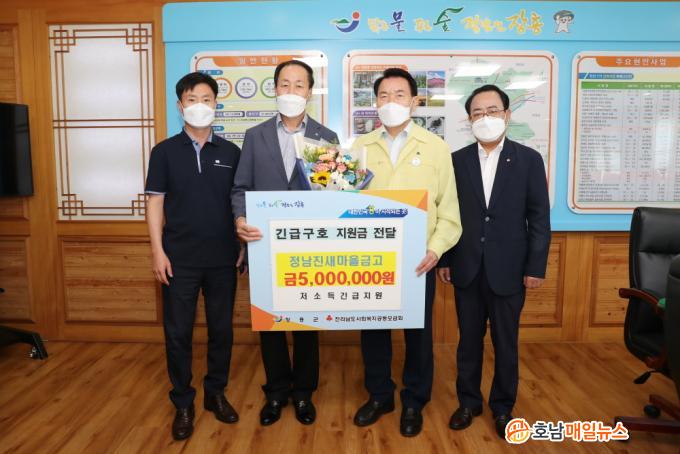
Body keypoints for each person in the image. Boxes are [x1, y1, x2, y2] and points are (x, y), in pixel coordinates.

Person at [351, 68, 462, 437]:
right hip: (371, 259)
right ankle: (380, 395)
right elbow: (343, 202)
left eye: (399, 95)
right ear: (375, 102)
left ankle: (414, 399)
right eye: (384, 95)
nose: (391, 102)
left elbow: (449, 211)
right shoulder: (359, 147)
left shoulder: (435, 147)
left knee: (418, 333)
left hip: (418, 260)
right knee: (373, 330)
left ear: (414, 101)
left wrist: (435, 249)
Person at [437, 84, 551, 438]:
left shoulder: (528, 159)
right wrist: (446, 259)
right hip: (467, 267)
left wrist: (535, 267)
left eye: (492, 111)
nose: (485, 118)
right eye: (477, 113)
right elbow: (448, 215)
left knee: (506, 342)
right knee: (468, 341)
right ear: (469, 120)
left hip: (510, 270)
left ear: (507, 115)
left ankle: (503, 407)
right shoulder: (456, 160)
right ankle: (468, 402)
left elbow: (539, 218)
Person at [231, 59, 338, 426]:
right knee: (269, 323)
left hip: (308, 248)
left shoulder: (326, 137)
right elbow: (241, 188)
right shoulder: (255, 135)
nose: (291, 91)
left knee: (306, 324)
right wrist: (240, 219)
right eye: (285, 84)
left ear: (310, 92)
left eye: (299, 85)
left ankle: (304, 392)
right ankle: (276, 392)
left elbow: (331, 194)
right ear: (275, 89)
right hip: (264, 245)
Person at [145, 72, 244, 440]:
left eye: (206, 99)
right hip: (178, 260)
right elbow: (155, 203)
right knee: (178, 334)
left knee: (222, 331)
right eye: (191, 99)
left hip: (223, 259)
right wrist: (158, 251)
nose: (199, 105)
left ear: (216, 104)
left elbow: (239, 204)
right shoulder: (164, 151)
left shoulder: (232, 152)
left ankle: (215, 393)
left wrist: (242, 246)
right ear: (180, 106)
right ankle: (183, 402)